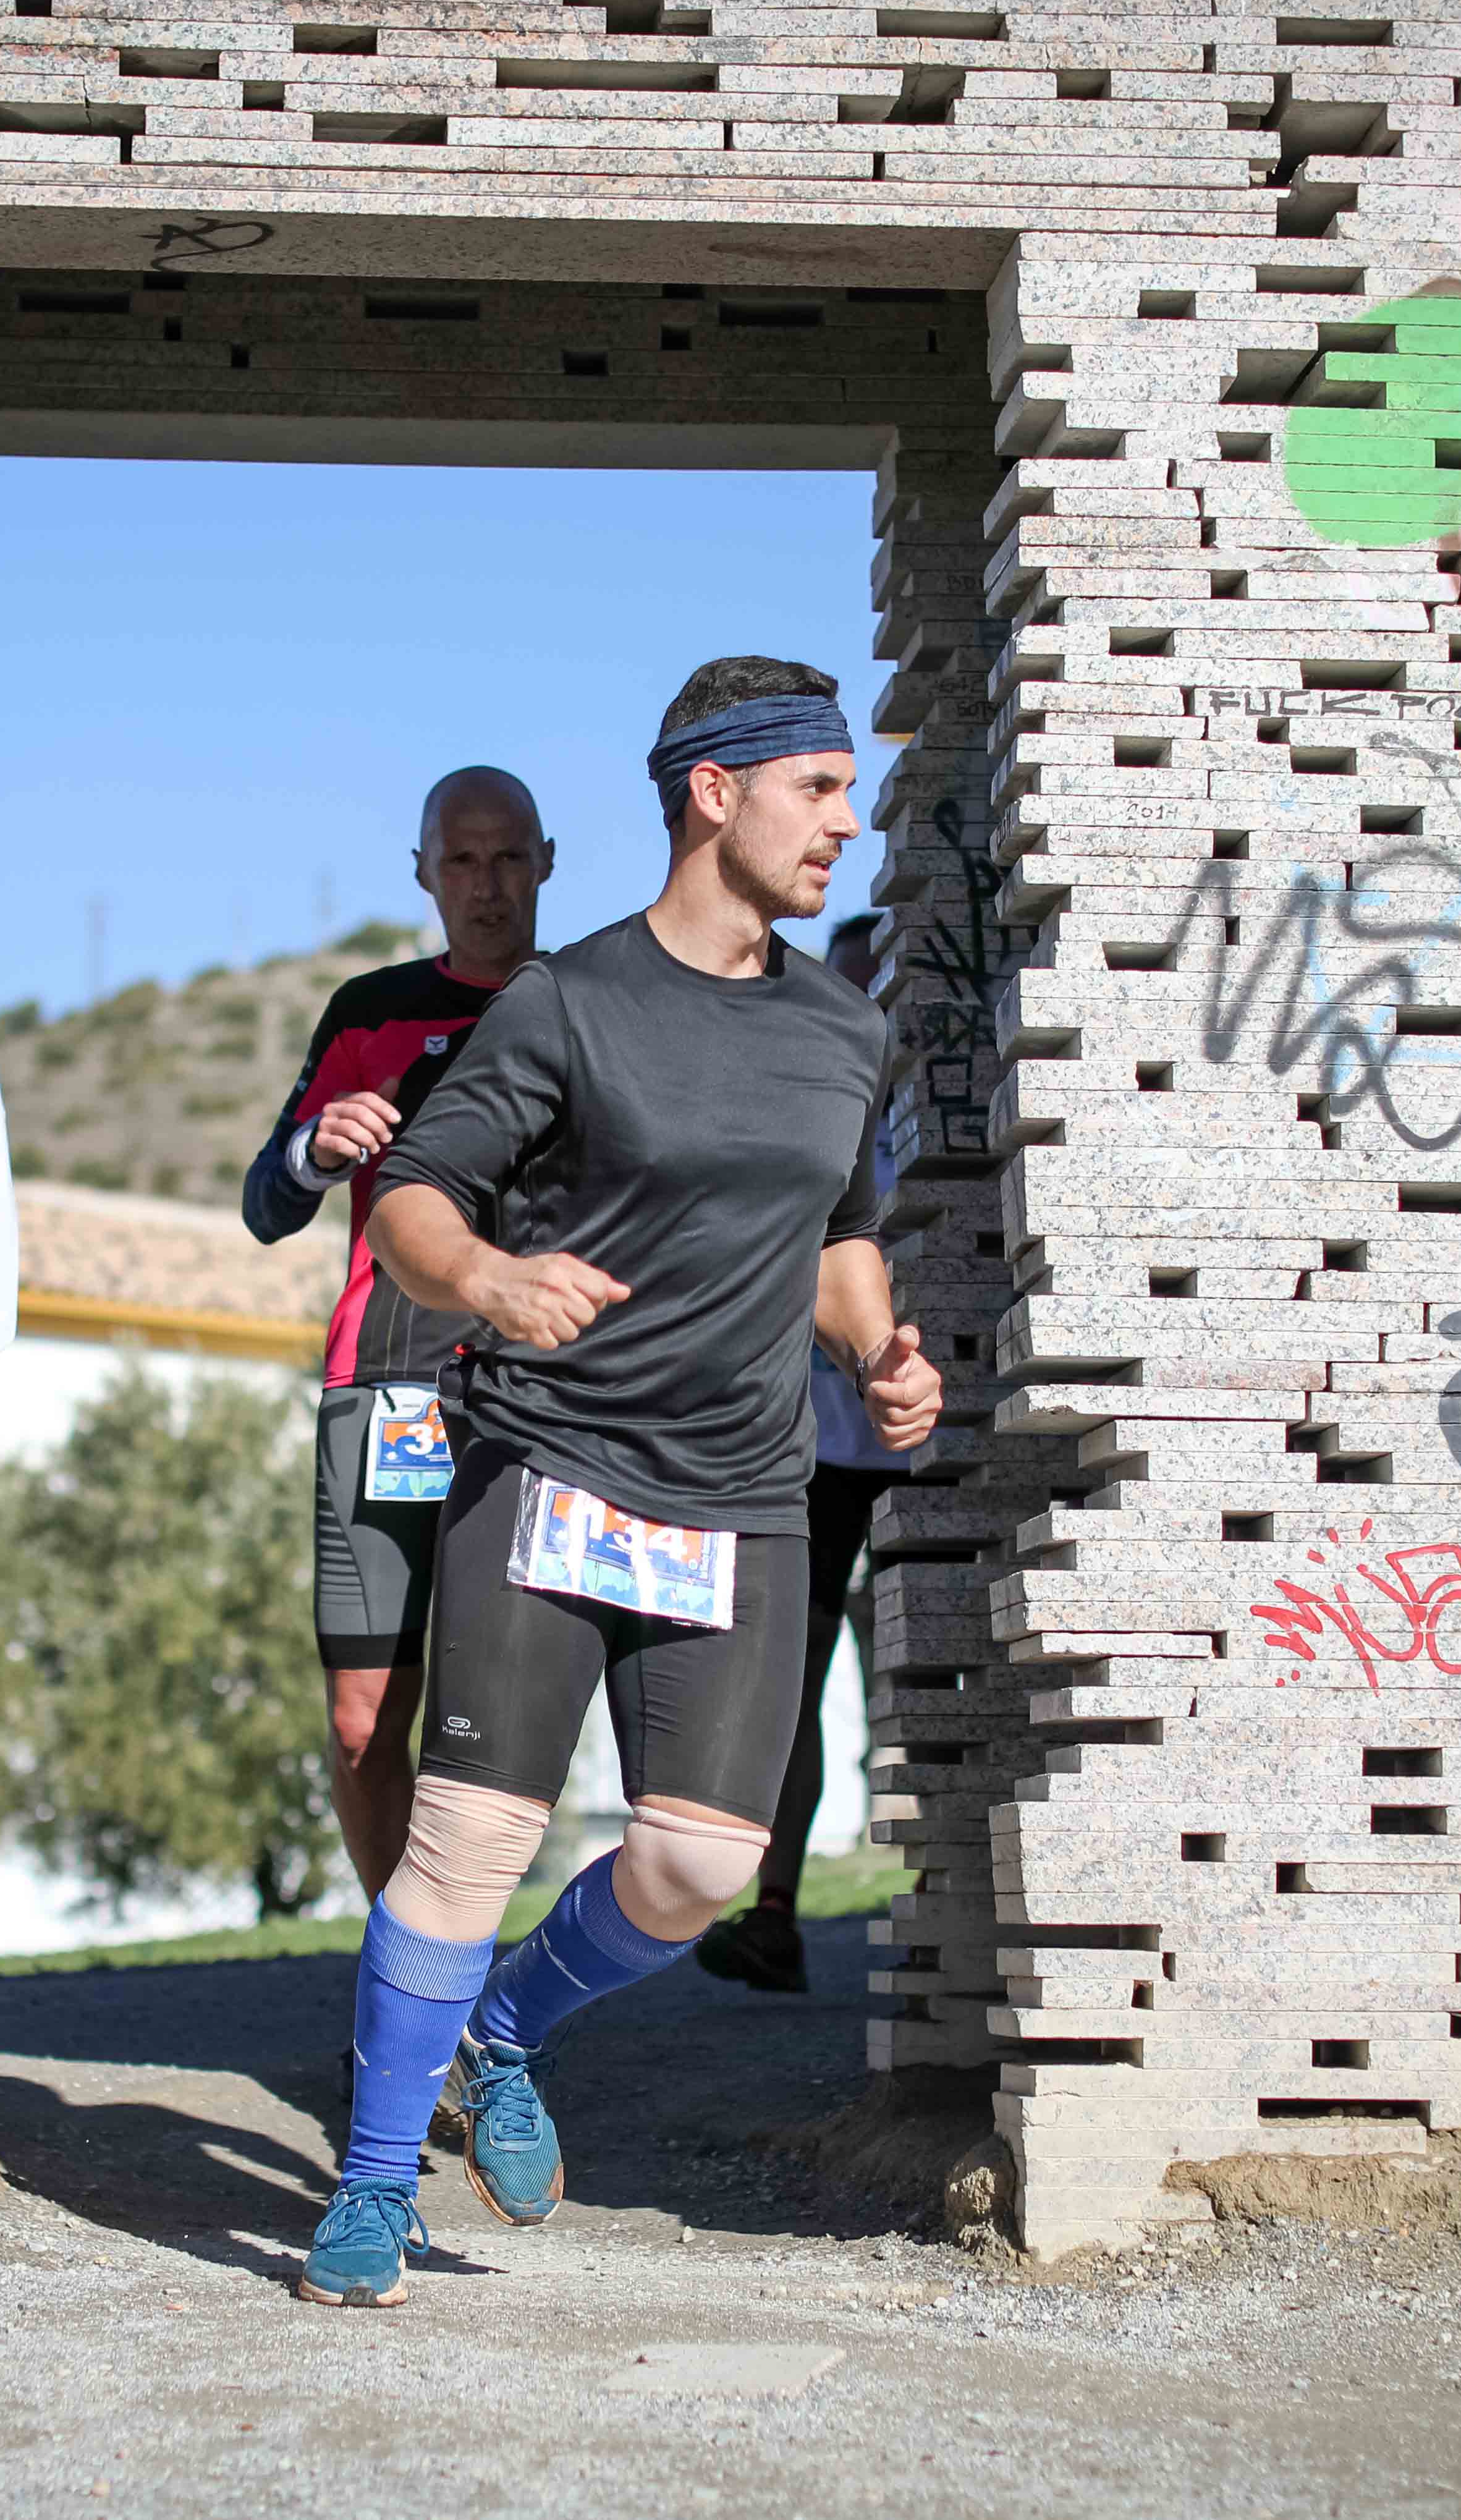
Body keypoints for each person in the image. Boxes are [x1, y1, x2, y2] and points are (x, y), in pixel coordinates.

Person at [295, 657, 944, 2310]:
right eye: (817, 787)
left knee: (698, 1868)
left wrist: (875, 1350)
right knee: (465, 1837)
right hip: (551, 1456)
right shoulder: (567, 1002)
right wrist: (492, 1285)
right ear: (713, 792)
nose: (841, 823)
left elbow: (836, 1237)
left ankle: (504, 2028)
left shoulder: (838, 1026)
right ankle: (371, 2183)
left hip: (736, 1486)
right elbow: (416, 1202)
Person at [242, 766, 552, 1901]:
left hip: (556, 1397)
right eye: (460, 860)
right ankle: (404, 1979)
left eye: (508, 857)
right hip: (388, 1388)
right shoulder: (367, 1014)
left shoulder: (593, 1001)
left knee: (502, 1724)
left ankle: (458, 1982)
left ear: (548, 863)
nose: (486, 884)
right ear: (424, 872)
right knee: (365, 1720)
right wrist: (314, 1151)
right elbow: (264, 1208)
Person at [693, 912, 908, 1996]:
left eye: (879, 993)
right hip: (815, 1450)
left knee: (918, 1684)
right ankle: (773, 1910)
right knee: (791, 1673)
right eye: (849, 992)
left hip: (925, 1448)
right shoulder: (804, 1108)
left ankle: (928, 1903)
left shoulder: (940, 1126)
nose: (862, 1017)